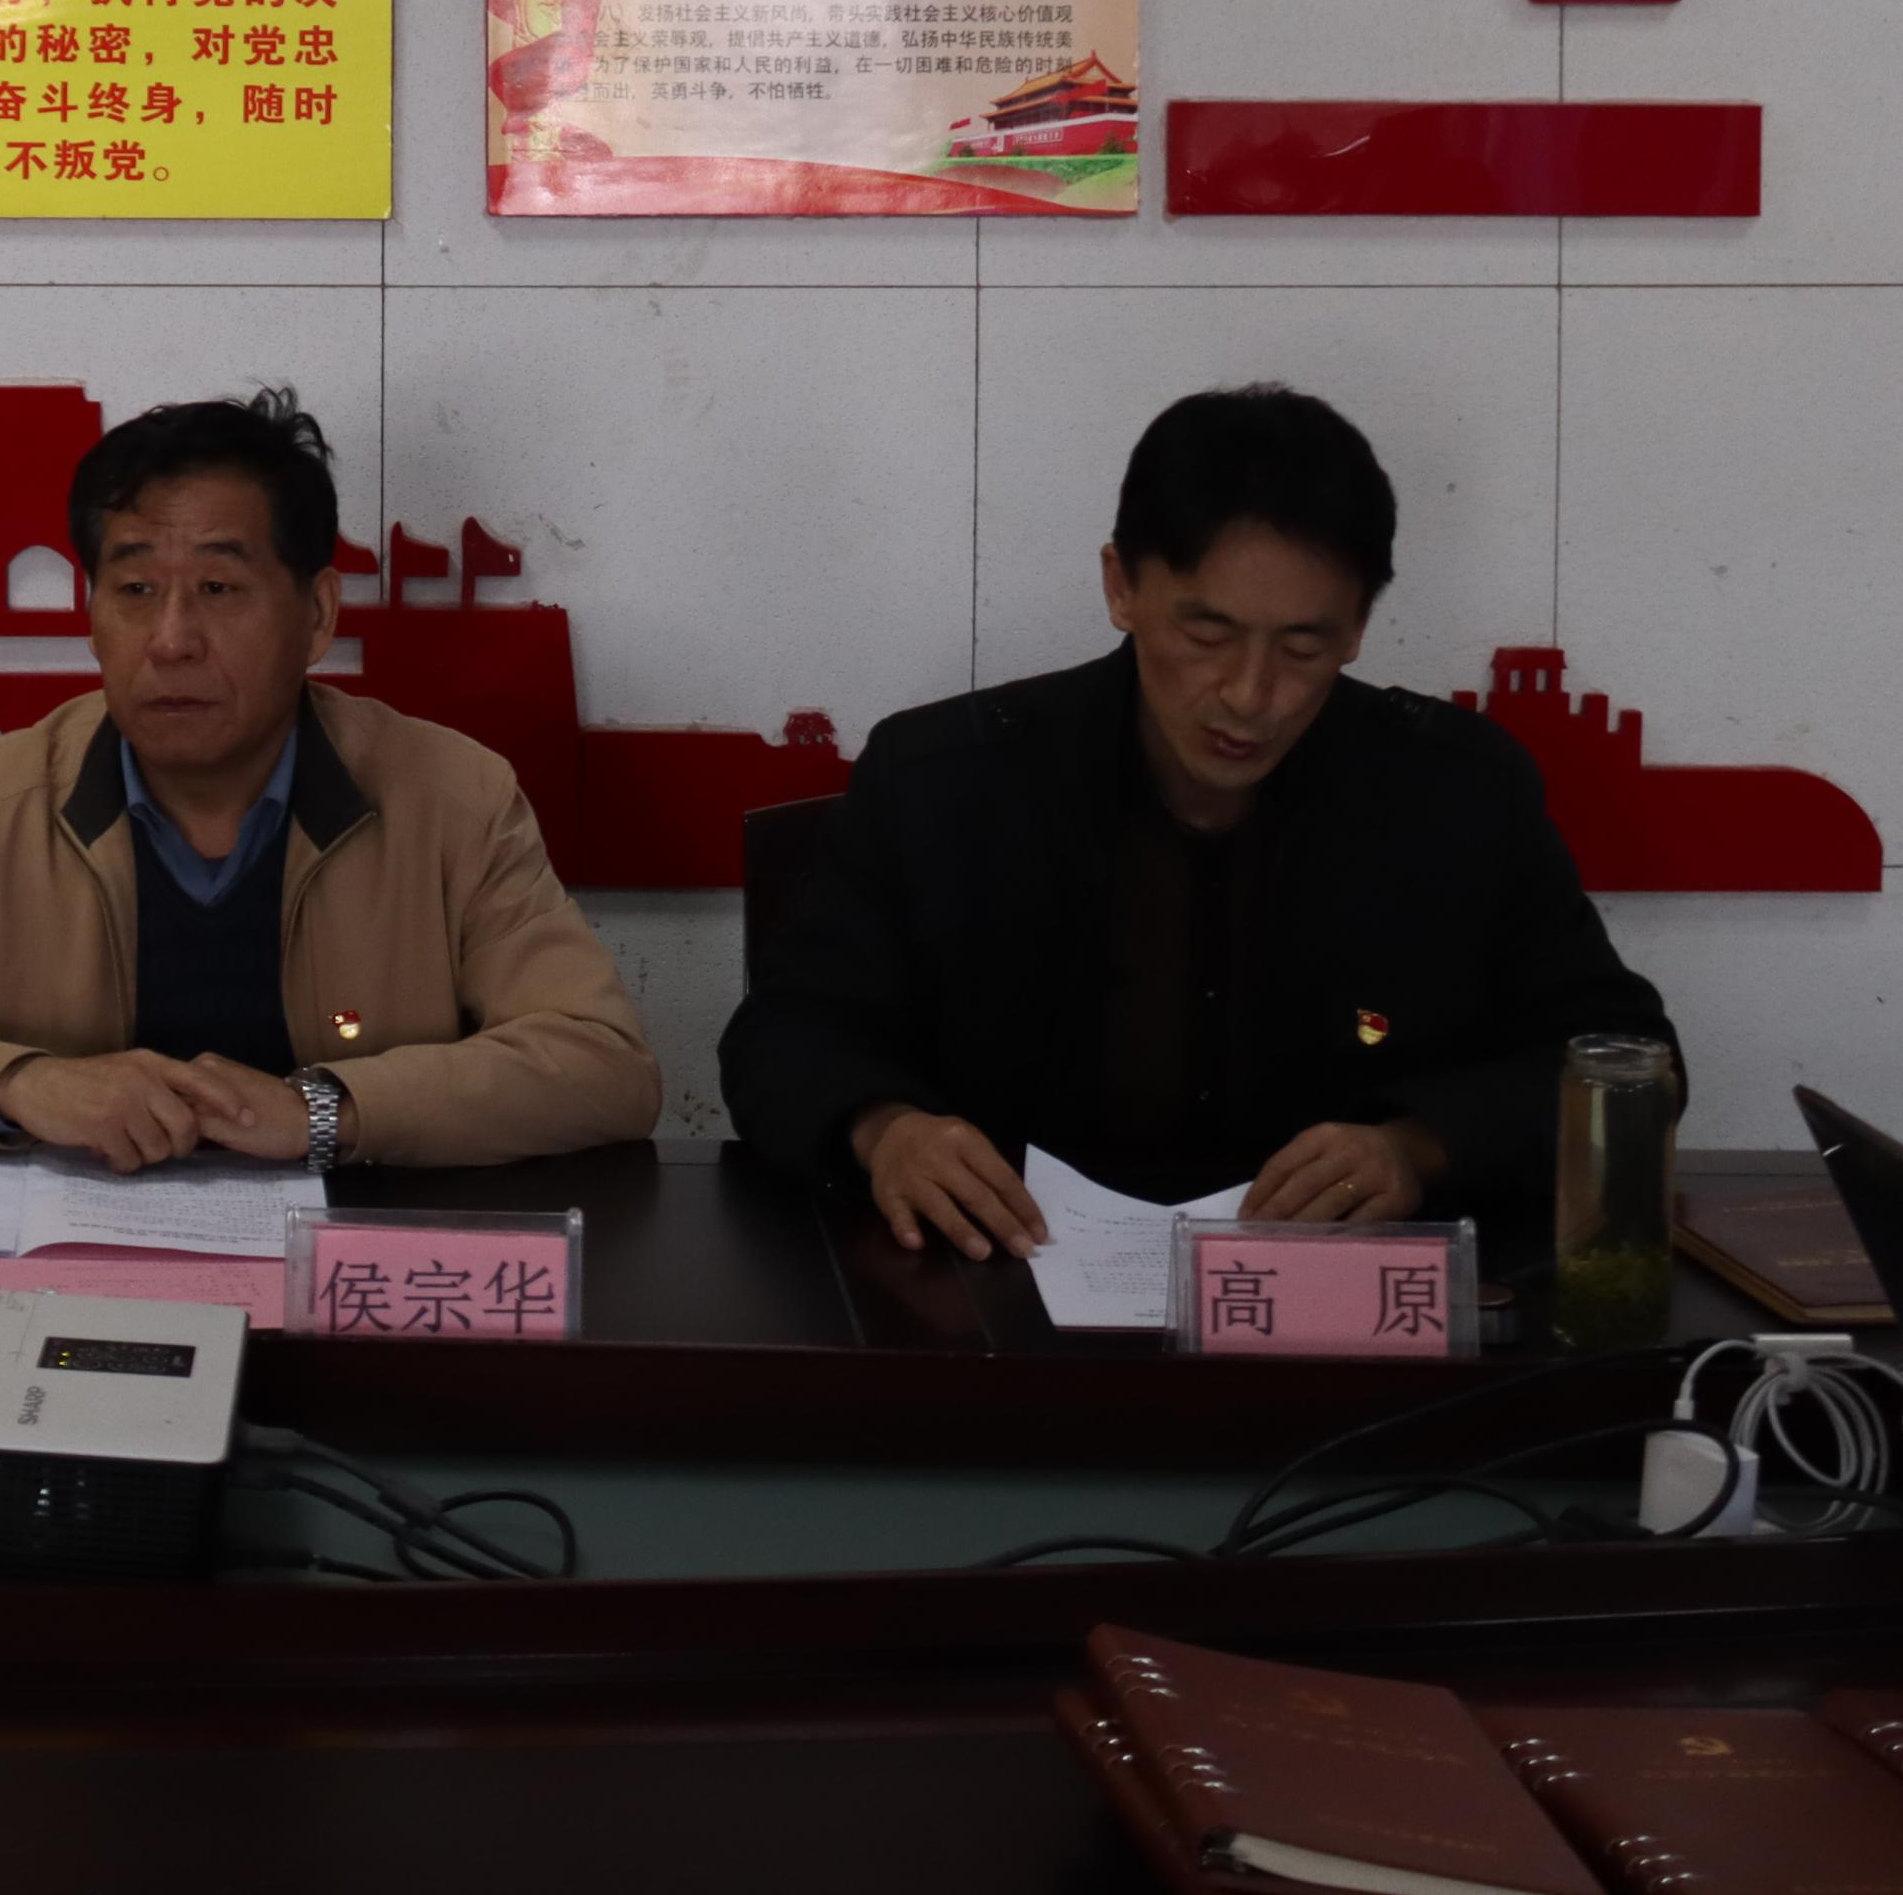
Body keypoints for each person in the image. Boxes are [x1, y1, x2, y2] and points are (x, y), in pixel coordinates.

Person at [719, 383, 1679, 1261]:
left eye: (1302, 646)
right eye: (1207, 634)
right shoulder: (945, 783)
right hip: (1003, 1294)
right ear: (1121, 587)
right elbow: (784, 1033)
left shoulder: (1457, 795)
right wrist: (886, 1130)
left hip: (1341, 1313)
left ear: (1357, 626)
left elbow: (1629, 1061)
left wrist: (1418, 1146)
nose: (1251, 695)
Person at [0, 390, 658, 1172]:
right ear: (91, 614)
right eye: (135, 591)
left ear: (318, 614)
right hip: (62, 1281)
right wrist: (20, 1083)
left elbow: (603, 1064)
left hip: (345, 1284)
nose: (172, 639)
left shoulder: (453, 802)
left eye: (219, 589)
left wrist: (327, 1109)